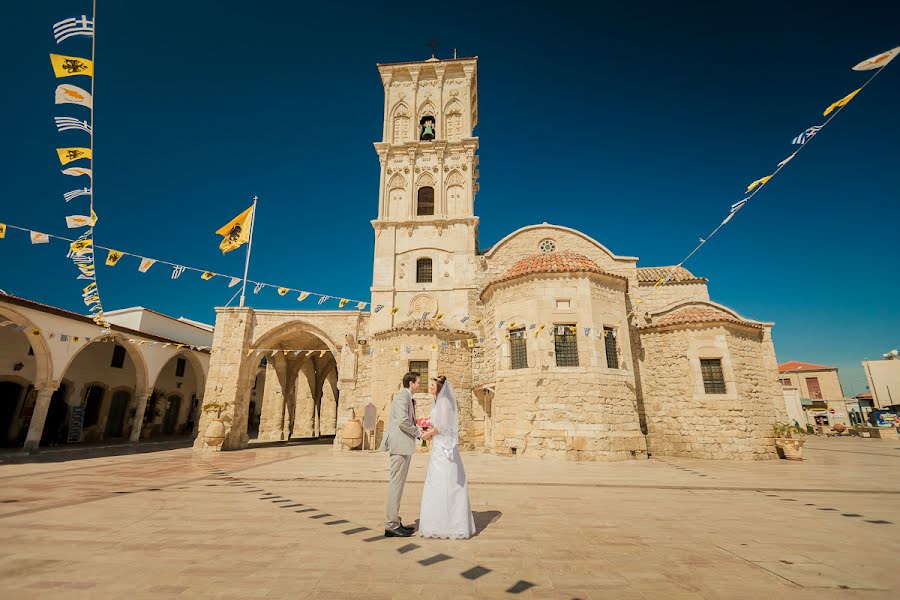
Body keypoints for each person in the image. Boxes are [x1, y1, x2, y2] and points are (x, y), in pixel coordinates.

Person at [418, 376, 476, 539]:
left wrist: (427, 434)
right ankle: (442, 521)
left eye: (432, 385)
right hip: (439, 445)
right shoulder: (439, 401)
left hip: (444, 448)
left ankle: (448, 524)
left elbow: (442, 426)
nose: (429, 387)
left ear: (440, 387)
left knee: (444, 481)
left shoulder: (443, 402)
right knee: (439, 481)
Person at [380, 371, 423, 537]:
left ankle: (395, 520)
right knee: (396, 485)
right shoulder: (401, 398)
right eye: (419, 382)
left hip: (404, 446)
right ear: (411, 383)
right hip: (399, 446)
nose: (420, 384)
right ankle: (391, 524)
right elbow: (403, 421)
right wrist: (418, 432)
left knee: (398, 485)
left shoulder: (407, 398)